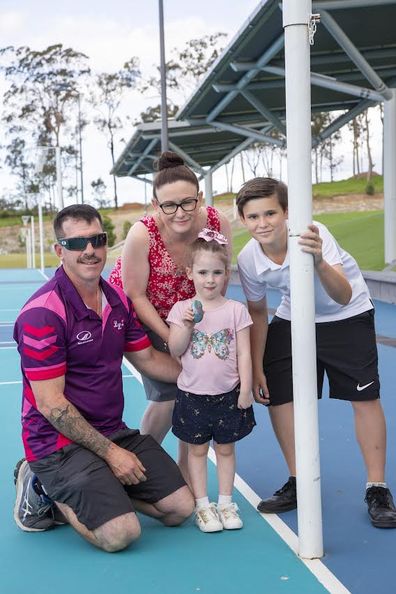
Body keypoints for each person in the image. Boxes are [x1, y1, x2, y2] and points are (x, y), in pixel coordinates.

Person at [13, 204, 194, 552]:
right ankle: (43, 486)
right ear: (59, 250)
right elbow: (51, 405)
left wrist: (209, 377)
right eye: (77, 243)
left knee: (179, 509)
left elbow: (149, 359)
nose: (89, 251)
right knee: (120, 535)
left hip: (112, 430)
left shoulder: (115, 300)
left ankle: (101, 492)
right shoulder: (42, 315)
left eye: (97, 240)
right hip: (57, 444)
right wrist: (112, 455)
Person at [236, 176, 396, 529]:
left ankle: (377, 487)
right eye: (253, 217)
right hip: (295, 317)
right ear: (243, 220)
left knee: (365, 398)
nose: (262, 223)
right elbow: (258, 313)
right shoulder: (248, 257)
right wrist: (259, 365)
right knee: (278, 395)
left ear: (287, 212)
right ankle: (299, 480)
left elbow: (341, 294)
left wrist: (319, 260)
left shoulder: (313, 232)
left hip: (346, 315)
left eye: (270, 213)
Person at [109, 151, 232, 480]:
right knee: (168, 395)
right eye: (169, 205)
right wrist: (171, 338)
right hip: (141, 316)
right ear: (155, 204)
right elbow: (135, 295)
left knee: (194, 394)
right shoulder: (142, 234)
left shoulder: (217, 224)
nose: (179, 213)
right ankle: (138, 466)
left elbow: (222, 274)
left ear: (200, 197)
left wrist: (209, 324)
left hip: (189, 316)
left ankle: (185, 471)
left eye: (187, 203)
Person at [167, 230, 255, 533]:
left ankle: (226, 502)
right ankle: (203, 506)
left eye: (217, 272)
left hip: (228, 395)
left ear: (226, 274)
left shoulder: (236, 311)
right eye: (203, 272)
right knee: (197, 451)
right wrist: (188, 325)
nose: (210, 279)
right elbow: (175, 349)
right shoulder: (181, 310)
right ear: (190, 273)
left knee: (227, 450)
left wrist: (245, 388)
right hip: (192, 395)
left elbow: (245, 352)